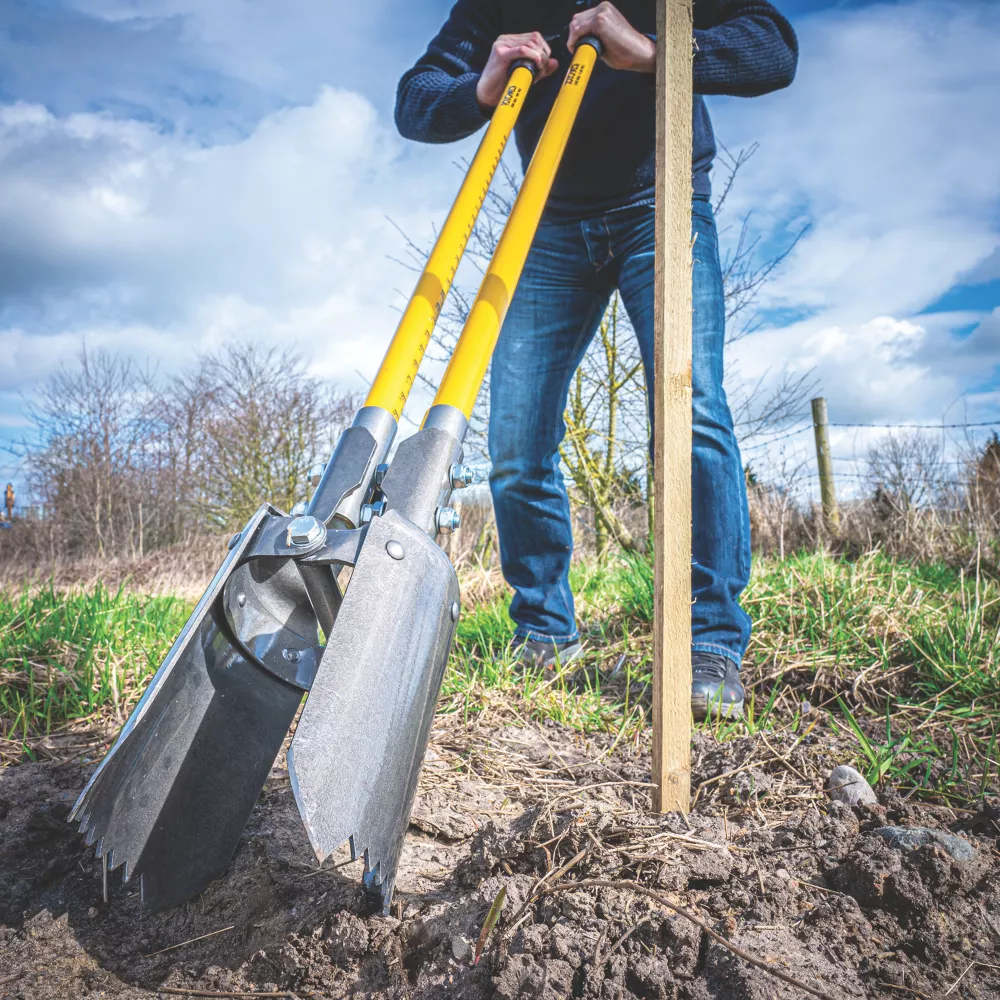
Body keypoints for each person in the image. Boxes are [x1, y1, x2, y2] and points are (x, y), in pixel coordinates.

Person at [395, 0, 797, 718]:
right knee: (516, 441)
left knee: (693, 410)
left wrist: (653, 50)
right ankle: (545, 632)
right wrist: (482, 84)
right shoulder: (494, 4)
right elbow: (416, 100)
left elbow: (774, 48)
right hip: (547, 221)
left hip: (663, 197)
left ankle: (710, 641)